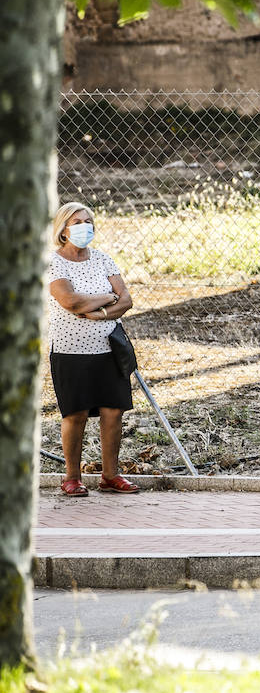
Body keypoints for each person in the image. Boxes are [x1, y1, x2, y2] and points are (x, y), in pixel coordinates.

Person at [46, 202, 139, 496]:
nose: (84, 226)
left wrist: (99, 311)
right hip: (70, 351)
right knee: (77, 413)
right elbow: (71, 302)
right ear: (63, 229)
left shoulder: (103, 260)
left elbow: (125, 300)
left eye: (88, 221)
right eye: (77, 221)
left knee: (114, 411)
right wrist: (107, 296)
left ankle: (110, 475)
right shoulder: (54, 262)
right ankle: (72, 477)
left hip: (108, 348)